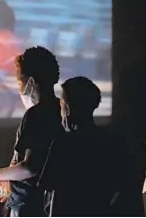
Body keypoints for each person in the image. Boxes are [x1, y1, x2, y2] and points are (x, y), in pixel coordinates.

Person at [0, 46, 62, 217]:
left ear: (31, 82)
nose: (19, 89)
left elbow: (30, 167)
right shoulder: (61, 110)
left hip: (28, 207)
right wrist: (10, 180)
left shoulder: (36, 114)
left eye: (20, 82)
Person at [40, 76, 119, 216]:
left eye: (61, 105)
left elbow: (51, 190)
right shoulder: (108, 141)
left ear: (68, 109)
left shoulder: (63, 144)